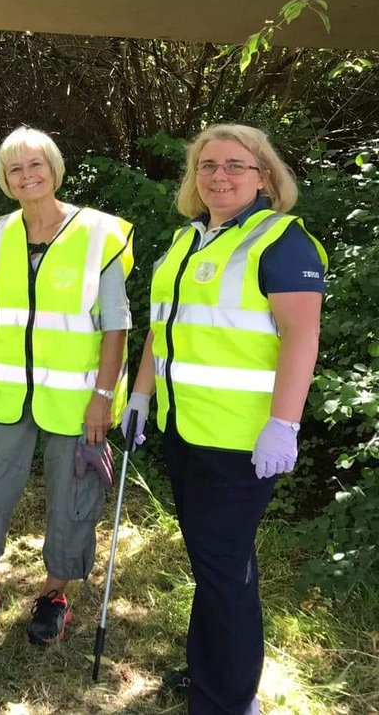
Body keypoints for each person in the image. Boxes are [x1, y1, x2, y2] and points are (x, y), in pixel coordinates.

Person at [120, 123, 325, 715]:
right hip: (185, 433)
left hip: (242, 443)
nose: (219, 176)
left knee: (221, 567)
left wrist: (283, 423)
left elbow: (301, 335)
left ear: (265, 175)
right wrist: (139, 397)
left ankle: (229, 701)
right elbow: (164, 331)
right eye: (207, 166)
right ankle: (212, 671)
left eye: (235, 165)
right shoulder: (187, 241)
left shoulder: (282, 241)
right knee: (215, 565)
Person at [0, 126, 134, 645]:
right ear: (4, 180)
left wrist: (103, 399)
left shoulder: (97, 234)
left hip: (79, 403)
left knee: (72, 500)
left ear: (54, 170)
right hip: (8, 398)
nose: (27, 175)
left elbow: (115, 325)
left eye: (36, 165)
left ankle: (55, 593)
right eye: (15, 168)